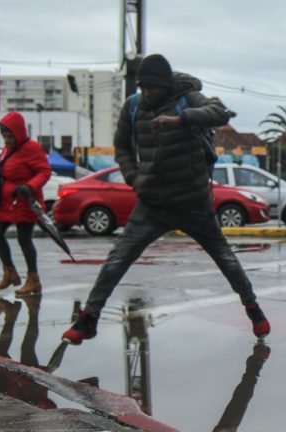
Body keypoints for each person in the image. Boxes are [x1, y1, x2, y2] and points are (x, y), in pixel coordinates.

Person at [62, 54, 269, 344]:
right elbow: (121, 146)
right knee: (116, 260)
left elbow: (220, 113)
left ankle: (253, 308)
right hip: (153, 202)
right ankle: (89, 318)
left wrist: (180, 120)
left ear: (165, 85)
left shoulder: (187, 96)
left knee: (226, 260)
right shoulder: (133, 106)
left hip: (193, 201)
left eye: (153, 88)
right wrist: (134, 177)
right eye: (143, 87)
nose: (148, 93)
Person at [0, 112, 52, 296]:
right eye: (4, 136)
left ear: (19, 132)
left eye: (10, 136)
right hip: (8, 201)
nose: (7, 140)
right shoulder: (7, 149)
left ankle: (33, 279)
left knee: (24, 239)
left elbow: (44, 172)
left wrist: (29, 186)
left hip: (25, 199)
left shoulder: (32, 148)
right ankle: (10, 272)